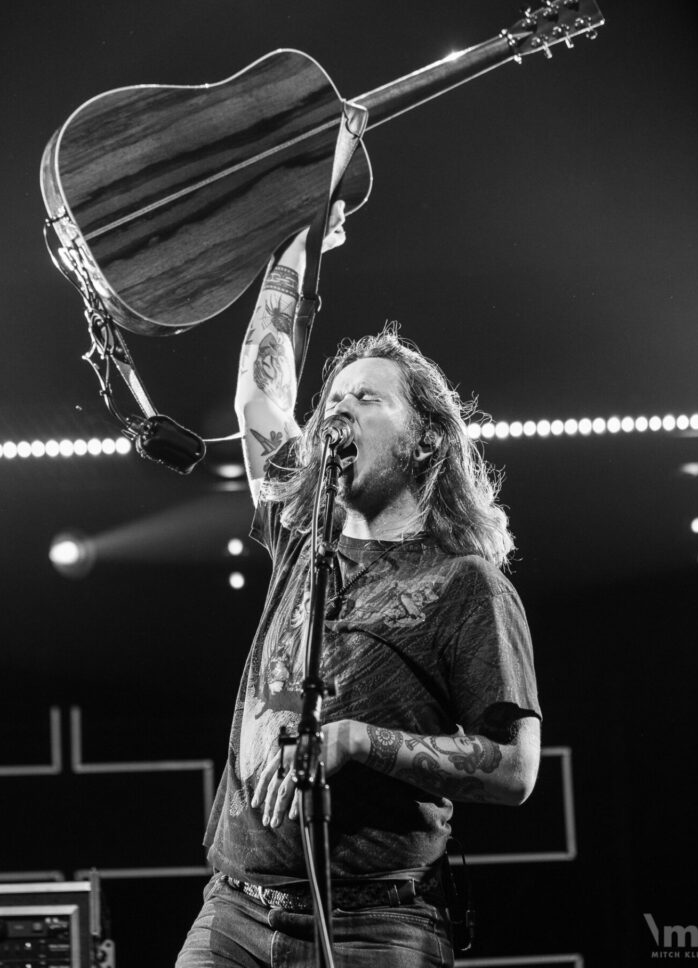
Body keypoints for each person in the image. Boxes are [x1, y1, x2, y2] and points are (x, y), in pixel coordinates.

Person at [176, 201, 541, 967]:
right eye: (333, 396)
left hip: (378, 926)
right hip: (234, 911)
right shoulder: (299, 531)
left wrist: (354, 741)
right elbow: (256, 398)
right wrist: (295, 249)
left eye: (366, 397)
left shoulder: (462, 583)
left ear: (422, 440)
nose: (338, 404)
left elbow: (513, 769)